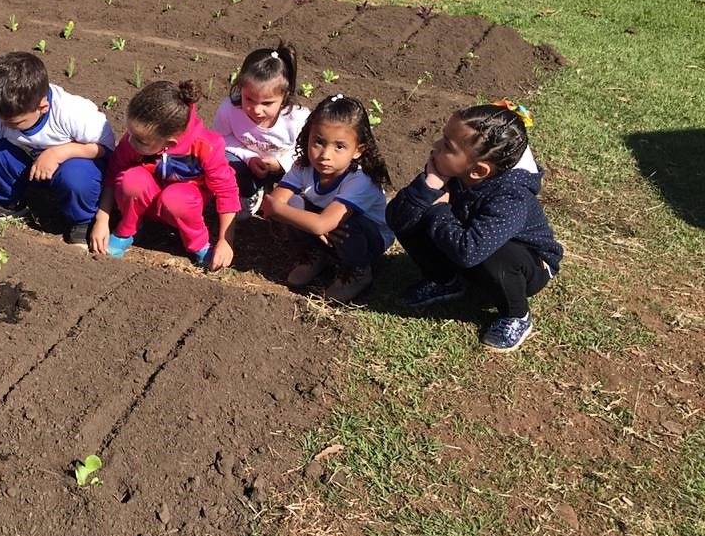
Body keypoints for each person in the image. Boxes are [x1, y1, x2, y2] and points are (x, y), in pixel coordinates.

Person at [386, 101, 563, 352]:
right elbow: (397, 217)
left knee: (495, 255)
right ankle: (447, 281)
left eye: (447, 145)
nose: (435, 146)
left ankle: (516, 315)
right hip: (468, 248)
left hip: (527, 265)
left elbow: (470, 252)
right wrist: (427, 187)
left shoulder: (512, 196)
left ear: (479, 170)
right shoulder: (451, 172)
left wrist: (438, 209)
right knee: (415, 213)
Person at [0, 52, 114, 246]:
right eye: (2, 121)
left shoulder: (73, 113)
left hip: (70, 170)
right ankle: (8, 203)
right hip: (32, 169)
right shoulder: (5, 113)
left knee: (76, 176)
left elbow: (108, 149)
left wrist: (60, 152)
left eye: (13, 122)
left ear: (42, 107)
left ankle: (82, 220)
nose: (6, 126)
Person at [90, 80, 240, 270]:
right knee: (130, 180)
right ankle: (128, 230)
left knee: (177, 198)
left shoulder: (206, 146)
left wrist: (226, 241)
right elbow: (113, 174)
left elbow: (227, 191)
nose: (130, 141)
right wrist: (102, 220)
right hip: (147, 198)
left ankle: (198, 242)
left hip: (182, 205)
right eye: (131, 133)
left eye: (140, 141)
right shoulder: (139, 138)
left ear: (169, 143)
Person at [262, 94, 392, 301]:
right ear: (307, 139)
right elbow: (269, 206)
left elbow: (281, 209)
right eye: (319, 142)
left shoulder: (360, 180)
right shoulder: (303, 166)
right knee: (295, 203)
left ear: (358, 151)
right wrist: (309, 222)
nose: (325, 155)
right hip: (326, 221)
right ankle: (317, 255)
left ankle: (357, 270)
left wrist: (284, 211)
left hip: (367, 235)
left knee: (346, 224)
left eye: (339, 146)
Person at [212, 44, 309, 216]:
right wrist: (249, 158)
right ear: (240, 87)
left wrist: (281, 163)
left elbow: (307, 150)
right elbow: (220, 139)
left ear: (285, 96)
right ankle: (249, 192)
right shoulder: (229, 109)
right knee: (223, 159)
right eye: (248, 99)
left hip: (285, 171)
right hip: (246, 164)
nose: (256, 110)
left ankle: (282, 197)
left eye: (267, 103)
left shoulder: (297, 118)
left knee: (307, 174)